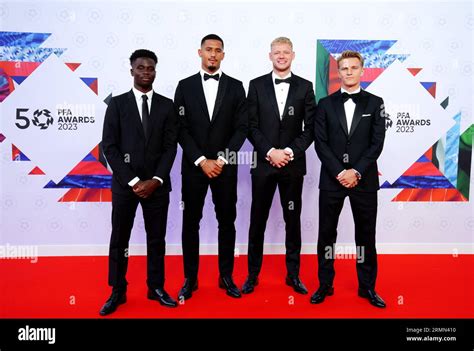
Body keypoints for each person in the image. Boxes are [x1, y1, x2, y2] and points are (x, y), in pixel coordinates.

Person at [99, 49, 179, 316]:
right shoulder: (117, 104)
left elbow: (170, 148)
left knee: (157, 239)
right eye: (141, 67)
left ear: (155, 71)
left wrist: (155, 180)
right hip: (125, 186)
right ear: (131, 70)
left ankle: (156, 287)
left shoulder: (167, 105)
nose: (146, 72)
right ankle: (118, 290)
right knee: (119, 240)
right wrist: (133, 181)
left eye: (151, 68)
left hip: (157, 186)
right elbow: (109, 147)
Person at [174, 34, 248, 300]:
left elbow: (242, 127)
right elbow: (179, 128)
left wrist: (222, 159)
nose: (213, 54)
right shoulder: (184, 86)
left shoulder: (237, 87)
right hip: (194, 167)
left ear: (223, 55)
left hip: (225, 167)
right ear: (200, 52)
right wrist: (201, 160)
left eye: (218, 50)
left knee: (227, 222)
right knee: (190, 222)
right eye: (208, 50)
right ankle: (190, 279)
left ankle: (226, 276)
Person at [311, 50, 386, 308]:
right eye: (344, 68)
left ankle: (367, 287)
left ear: (362, 70)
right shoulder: (324, 104)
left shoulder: (377, 103)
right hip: (332, 180)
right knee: (326, 235)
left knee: (365, 236)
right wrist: (339, 172)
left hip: (363, 181)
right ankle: (325, 284)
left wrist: (356, 171)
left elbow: (377, 144)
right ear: (338, 72)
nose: (349, 72)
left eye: (354, 68)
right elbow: (320, 143)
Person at [242, 37, 316, 295]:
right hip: (263, 164)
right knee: (257, 220)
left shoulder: (306, 87)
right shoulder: (255, 85)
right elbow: (250, 125)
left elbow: (312, 128)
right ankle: (252, 275)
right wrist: (269, 151)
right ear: (269, 55)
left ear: (293, 55)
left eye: (286, 52)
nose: (281, 56)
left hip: (292, 166)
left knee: (292, 219)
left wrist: (289, 152)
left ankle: (293, 275)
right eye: (277, 52)